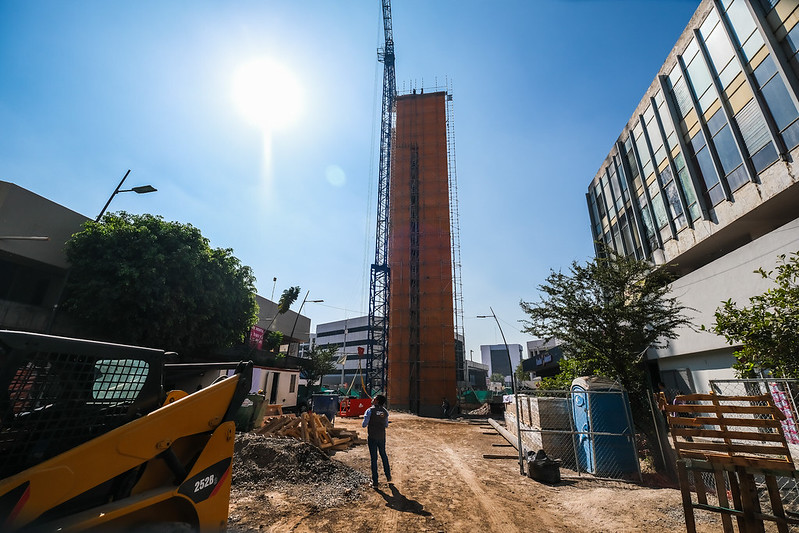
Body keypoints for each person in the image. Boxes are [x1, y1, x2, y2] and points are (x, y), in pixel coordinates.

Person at [362, 394, 391, 488]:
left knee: (374, 459)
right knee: (383, 455)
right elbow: (386, 425)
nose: (372, 399)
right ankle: (388, 476)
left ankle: (375, 482)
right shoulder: (385, 412)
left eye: (374, 398)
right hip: (382, 436)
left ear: (377, 401)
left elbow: (364, 424)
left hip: (372, 437)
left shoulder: (369, 410)